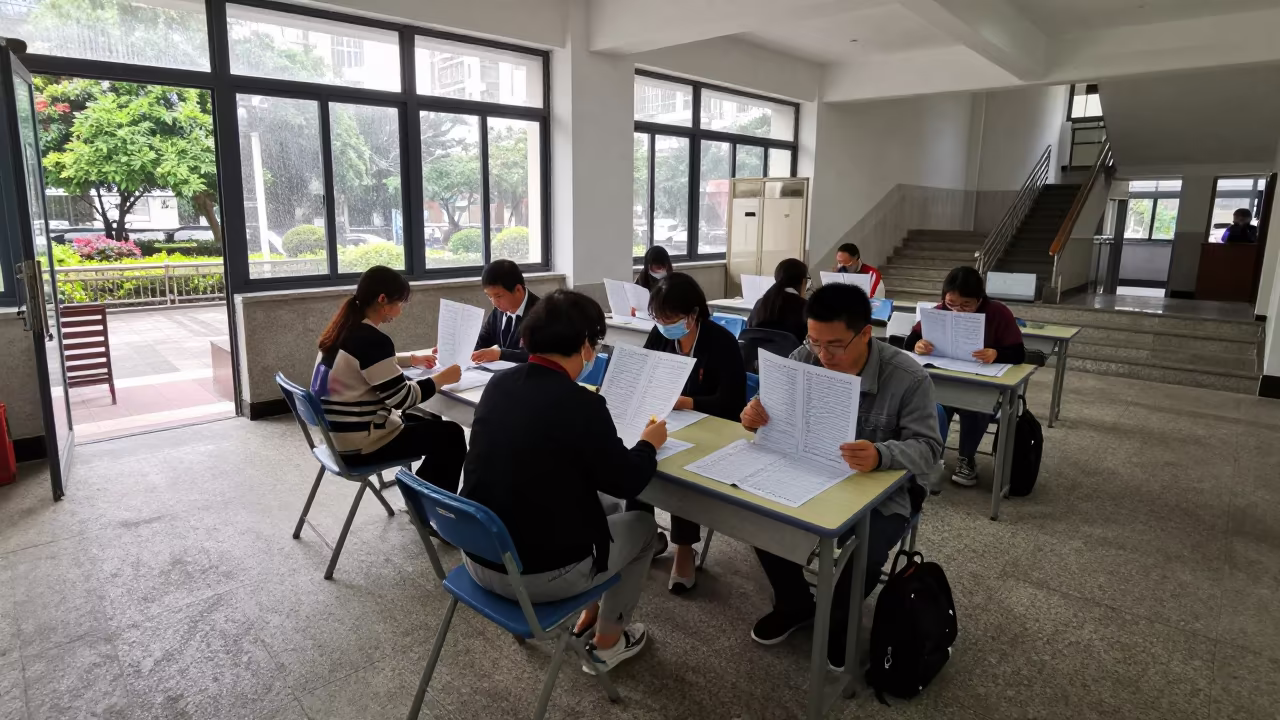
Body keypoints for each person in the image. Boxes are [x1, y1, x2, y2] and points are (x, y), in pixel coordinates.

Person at [460, 289, 668, 673]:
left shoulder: (499, 385)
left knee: (604, 507)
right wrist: (647, 444)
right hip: (535, 578)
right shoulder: (581, 404)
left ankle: (589, 611)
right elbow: (627, 481)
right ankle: (609, 642)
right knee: (640, 524)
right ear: (587, 346)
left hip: (477, 556)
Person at [742, 283, 941, 670]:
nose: (822, 354)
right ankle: (796, 602)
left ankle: (837, 621)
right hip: (809, 469)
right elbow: (769, 407)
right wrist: (753, 413)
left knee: (864, 554)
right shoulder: (804, 357)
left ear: (866, 333)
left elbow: (930, 450)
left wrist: (883, 454)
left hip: (885, 490)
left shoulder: (908, 378)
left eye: (834, 345)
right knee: (758, 516)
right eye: (814, 341)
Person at [629, 272, 747, 594]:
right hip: (667, 421)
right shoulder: (661, 335)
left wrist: (689, 401)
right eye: (658, 318)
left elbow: (732, 402)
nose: (664, 325)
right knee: (633, 452)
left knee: (680, 469)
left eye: (670, 318)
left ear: (693, 314)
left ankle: (684, 547)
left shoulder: (719, 341)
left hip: (710, 427)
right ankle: (645, 535)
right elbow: (645, 370)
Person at [311, 265, 467, 493]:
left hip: (338, 437)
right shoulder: (373, 340)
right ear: (383, 299)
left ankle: (422, 491)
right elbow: (402, 399)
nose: (400, 311)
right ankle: (426, 502)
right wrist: (442, 378)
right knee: (451, 434)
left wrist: (411, 359)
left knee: (428, 423)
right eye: (400, 303)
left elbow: (366, 364)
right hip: (360, 445)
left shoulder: (344, 329)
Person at [905, 266, 1025, 488]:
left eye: (966, 305)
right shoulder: (940, 311)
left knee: (975, 405)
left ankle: (966, 458)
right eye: (952, 304)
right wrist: (918, 344)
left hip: (982, 381)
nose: (957, 310)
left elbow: (1019, 353)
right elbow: (910, 340)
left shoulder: (998, 313)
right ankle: (934, 456)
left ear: (979, 299)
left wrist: (997, 353)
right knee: (936, 404)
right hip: (946, 377)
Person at [472, 259, 540, 364]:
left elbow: (538, 356)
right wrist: (455, 348)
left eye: (498, 296)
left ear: (518, 290)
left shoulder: (541, 314)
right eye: (490, 297)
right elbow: (482, 341)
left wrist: (501, 354)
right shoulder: (498, 311)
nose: (494, 303)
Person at [748, 258, 808, 343]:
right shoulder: (806, 307)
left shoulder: (760, 303)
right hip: (790, 356)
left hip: (756, 355)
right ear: (803, 281)